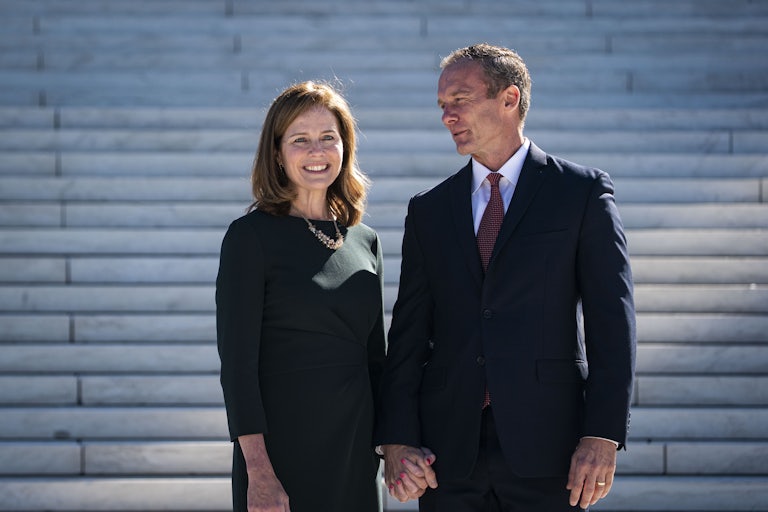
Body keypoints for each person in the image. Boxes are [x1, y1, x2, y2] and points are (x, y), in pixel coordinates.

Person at [374, 43, 636, 511]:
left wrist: (602, 434)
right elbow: (409, 332)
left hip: (551, 448)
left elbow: (611, 323)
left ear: (509, 98)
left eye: (460, 100)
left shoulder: (581, 193)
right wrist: (396, 439)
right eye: (442, 105)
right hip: (447, 455)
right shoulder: (429, 210)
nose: (447, 116)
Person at [216, 80, 386, 512]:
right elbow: (238, 367)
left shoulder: (364, 241)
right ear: (277, 153)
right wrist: (258, 470)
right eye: (300, 140)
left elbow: (377, 360)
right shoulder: (249, 237)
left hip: (355, 450)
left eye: (328, 138)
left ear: (345, 147)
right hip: (284, 452)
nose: (317, 151)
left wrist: (392, 447)